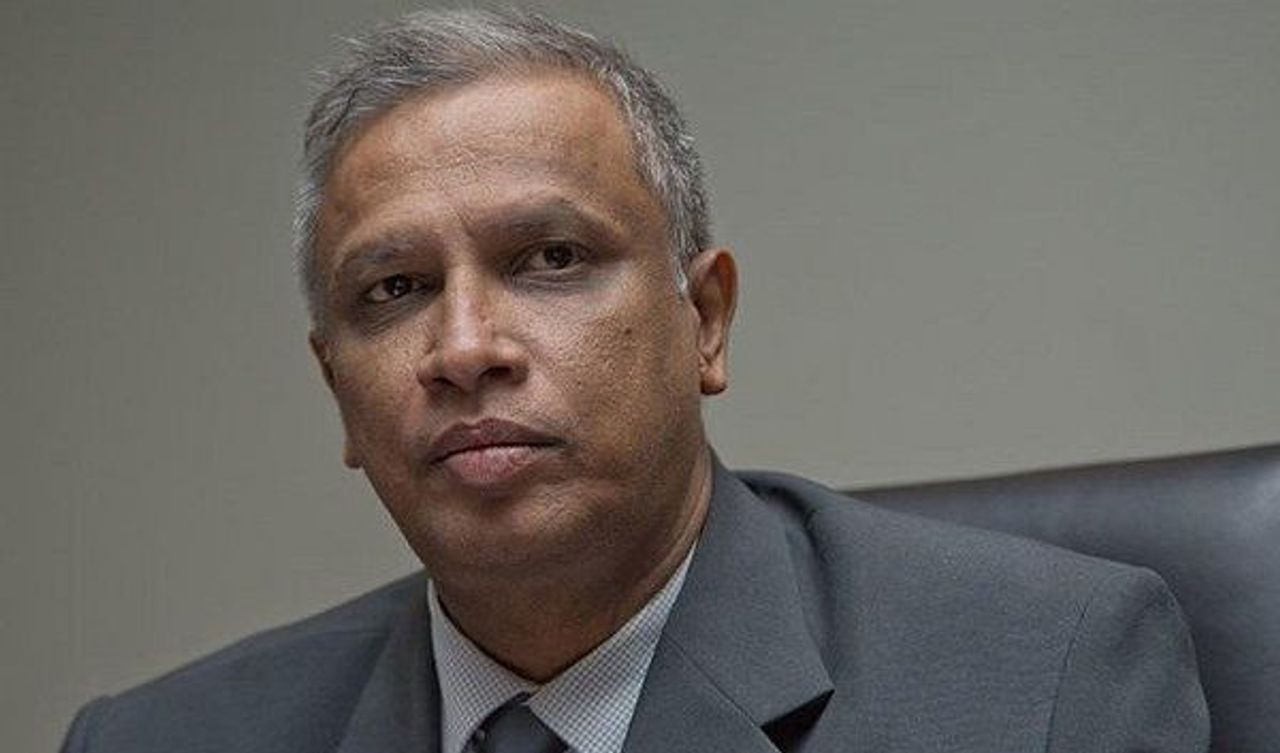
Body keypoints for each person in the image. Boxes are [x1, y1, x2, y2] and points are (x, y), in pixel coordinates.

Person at [60, 8, 1208, 753]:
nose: (463, 347)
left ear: (703, 320)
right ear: (336, 391)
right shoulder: (160, 740)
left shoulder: (1044, 679)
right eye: (394, 289)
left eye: (549, 259)